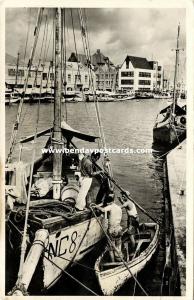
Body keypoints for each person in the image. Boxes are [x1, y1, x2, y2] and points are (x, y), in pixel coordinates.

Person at [95, 193, 123, 262]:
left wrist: (96, 206)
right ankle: (120, 259)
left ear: (108, 202)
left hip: (112, 230)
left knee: (111, 248)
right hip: (119, 228)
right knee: (118, 245)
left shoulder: (110, 206)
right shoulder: (119, 208)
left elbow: (103, 210)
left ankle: (113, 262)